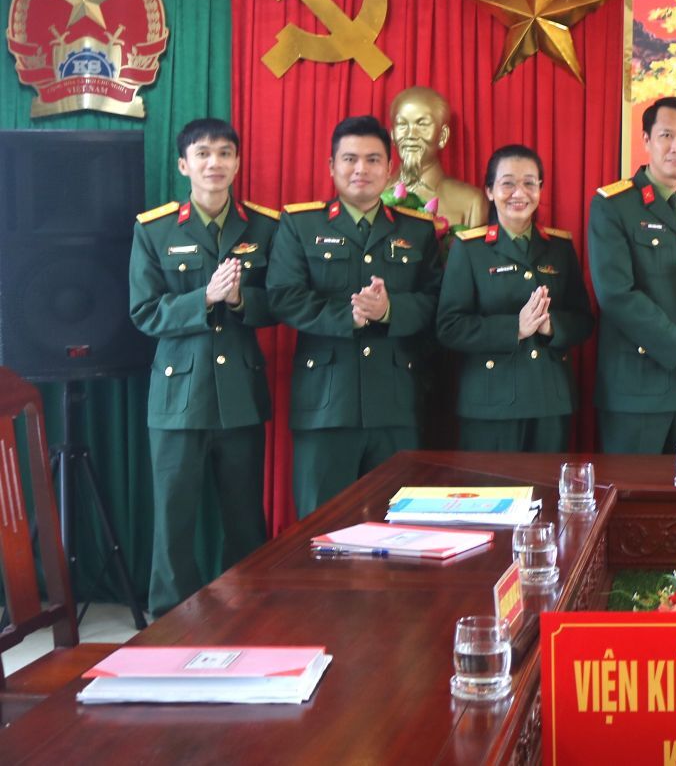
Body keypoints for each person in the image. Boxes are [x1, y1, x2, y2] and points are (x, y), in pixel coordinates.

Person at [129, 118, 277, 616]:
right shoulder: (154, 229)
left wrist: (239, 300)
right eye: (203, 153)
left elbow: (280, 302)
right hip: (178, 399)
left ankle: (249, 614)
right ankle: (168, 620)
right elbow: (144, 312)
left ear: (238, 162)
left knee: (244, 519)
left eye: (225, 153)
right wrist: (205, 298)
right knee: (174, 521)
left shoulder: (264, 226)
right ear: (183, 164)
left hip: (240, 395)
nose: (215, 163)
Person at [267, 115, 442, 516]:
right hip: (326, 405)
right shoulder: (301, 224)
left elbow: (436, 302)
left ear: (390, 168)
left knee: (399, 528)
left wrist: (389, 310)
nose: (361, 169)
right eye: (350, 159)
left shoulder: (417, 230)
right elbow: (284, 296)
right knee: (322, 527)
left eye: (372, 159)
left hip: (395, 403)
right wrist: (350, 316)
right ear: (331, 166)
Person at [588, 97, 676, 453]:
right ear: (646, 140)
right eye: (667, 135)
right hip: (637, 389)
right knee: (632, 488)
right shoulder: (614, 205)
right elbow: (616, 295)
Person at [437, 145, 594, 451]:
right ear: (489, 191)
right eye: (507, 183)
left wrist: (551, 326)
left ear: (540, 189)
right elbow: (449, 327)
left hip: (549, 400)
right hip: (490, 402)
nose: (519, 193)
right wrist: (515, 328)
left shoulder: (559, 248)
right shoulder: (469, 249)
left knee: (547, 484)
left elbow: (583, 320)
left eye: (529, 183)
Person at [386, 85, 488, 229]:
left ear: (442, 136)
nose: (410, 135)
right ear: (392, 134)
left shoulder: (471, 202)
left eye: (422, 125)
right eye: (402, 124)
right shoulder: (374, 194)